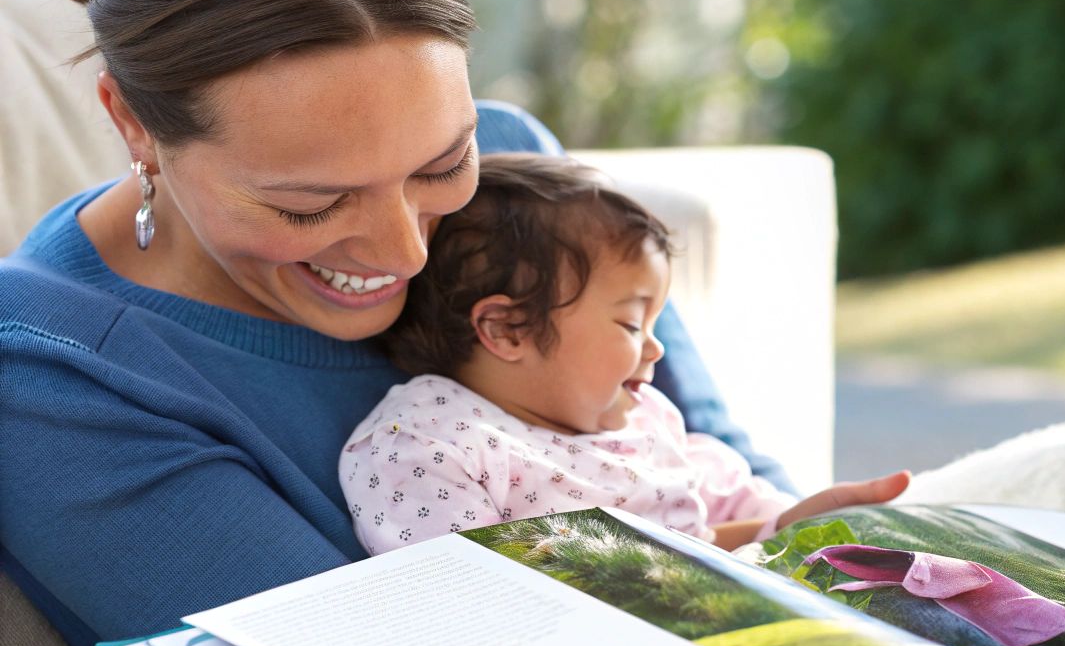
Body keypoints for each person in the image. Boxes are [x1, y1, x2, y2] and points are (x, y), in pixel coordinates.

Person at [0, 0, 891, 646]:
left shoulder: (514, 177)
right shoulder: (48, 368)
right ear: (134, 124)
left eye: (438, 167)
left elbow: (707, 462)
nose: (404, 254)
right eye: (310, 204)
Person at [343, 154, 907, 556]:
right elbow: (469, 601)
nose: (656, 349)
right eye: (632, 323)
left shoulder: (649, 425)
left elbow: (698, 548)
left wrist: (792, 524)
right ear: (508, 328)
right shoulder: (427, 444)